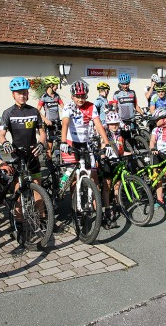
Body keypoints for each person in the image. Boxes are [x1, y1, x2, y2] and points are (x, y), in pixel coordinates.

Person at [59, 81, 113, 225]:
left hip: (86, 143)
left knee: (94, 177)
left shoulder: (91, 106)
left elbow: (98, 124)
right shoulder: (68, 107)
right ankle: (76, 208)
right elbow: (65, 124)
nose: (80, 99)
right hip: (71, 142)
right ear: (72, 96)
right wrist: (63, 142)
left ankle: (97, 211)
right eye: (77, 96)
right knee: (74, 177)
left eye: (83, 96)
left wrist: (106, 143)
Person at [0, 77, 47, 185]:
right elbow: (1, 135)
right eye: (19, 93)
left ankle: (41, 202)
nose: (22, 96)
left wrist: (41, 144)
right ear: (13, 95)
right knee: (18, 186)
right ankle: (18, 202)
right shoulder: (8, 113)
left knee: (37, 185)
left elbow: (42, 132)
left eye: (24, 93)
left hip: (33, 153)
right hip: (17, 153)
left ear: (28, 94)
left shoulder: (34, 111)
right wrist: (5, 143)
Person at [100, 111, 125, 229]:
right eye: (111, 124)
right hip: (108, 162)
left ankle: (117, 206)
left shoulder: (120, 134)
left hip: (117, 162)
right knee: (107, 186)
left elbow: (121, 150)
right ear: (107, 125)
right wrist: (103, 156)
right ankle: (107, 209)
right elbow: (101, 148)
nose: (114, 126)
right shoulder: (105, 134)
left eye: (116, 123)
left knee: (117, 185)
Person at [111, 73, 144, 141]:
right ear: (120, 84)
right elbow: (115, 108)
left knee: (133, 139)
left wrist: (143, 114)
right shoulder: (117, 94)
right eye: (123, 84)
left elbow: (136, 106)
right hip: (122, 120)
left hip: (132, 120)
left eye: (127, 84)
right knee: (123, 139)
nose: (125, 86)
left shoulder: (132, 93)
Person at [37, 76, 64, 156]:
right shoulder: (44, 97)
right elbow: (37, 110)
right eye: (56, 86)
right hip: (49, 123)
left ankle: (61, 161)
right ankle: (49, 161)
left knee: (61, 141)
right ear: (51, 86)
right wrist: (45, 120)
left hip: (58, 122)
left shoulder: (57, 96)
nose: (57, 88)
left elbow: (63, 107)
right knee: (50, 144)